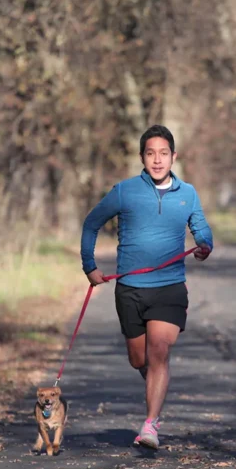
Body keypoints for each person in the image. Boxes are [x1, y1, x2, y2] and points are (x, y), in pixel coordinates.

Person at [80, 124, 213, 450]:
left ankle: (150, 424)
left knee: (159, 352)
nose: (157, 160)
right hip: (130, 289)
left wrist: (204, 244)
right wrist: (90, 266)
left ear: (173, 156)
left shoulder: (188, 194)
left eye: (163, 154)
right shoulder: (125, 191)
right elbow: (91, 223)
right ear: (142, 157)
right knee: (139, 358)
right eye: (151, 153)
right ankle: (154, 379)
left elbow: (202, 228)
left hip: (169, 287)